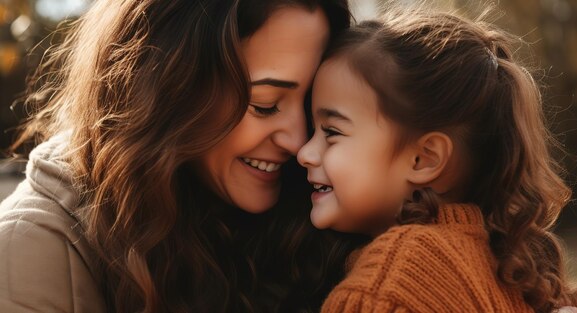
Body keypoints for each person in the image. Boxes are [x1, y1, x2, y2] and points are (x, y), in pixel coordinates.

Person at [0, 0, 366, 312]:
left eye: (310, 104)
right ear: (166, 91)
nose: (299, 141)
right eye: (265, 105)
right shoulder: (27, 256)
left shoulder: (316, 212)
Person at [297, 9, 577, 313]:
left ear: (425, 159)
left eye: (331, 132)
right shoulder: (502, 268)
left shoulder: (388, 288)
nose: (304, 153)